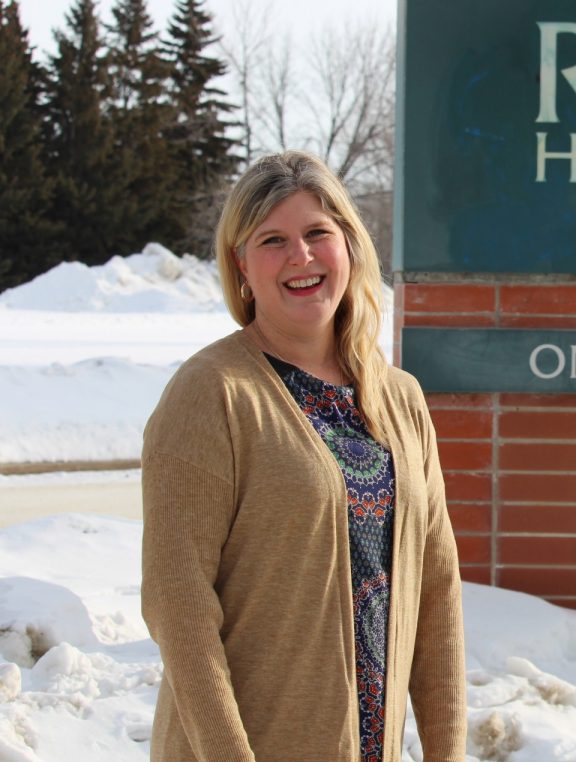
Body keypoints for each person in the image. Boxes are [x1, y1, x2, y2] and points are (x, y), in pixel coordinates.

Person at [140, 150, 466, 761]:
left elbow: (437, 592)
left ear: (349, 242)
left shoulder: (401, 398)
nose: (302, 256)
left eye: (318, 232)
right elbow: (177, 606)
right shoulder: (212, 393)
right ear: (241, 265)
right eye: (273, 240)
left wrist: (446, 752)